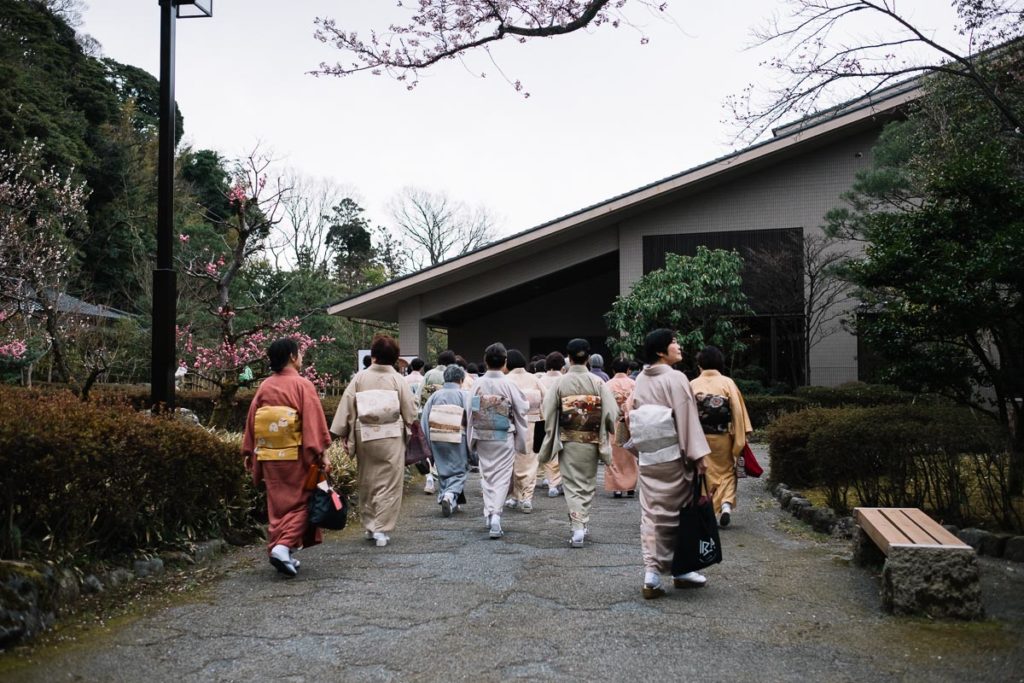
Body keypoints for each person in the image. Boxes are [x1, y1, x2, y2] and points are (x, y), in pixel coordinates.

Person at [628, 329, 710, 598]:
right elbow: (687, 417)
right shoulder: (676, 378)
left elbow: (633, 412)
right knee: (679, 515)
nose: (679, 345)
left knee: (652, 515)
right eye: (674, 342)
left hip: (649, 457)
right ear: (660, 351)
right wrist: (698, 456)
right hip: (675, 457)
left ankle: (652, 574)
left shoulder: (641, 378)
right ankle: (682, 570)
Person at [242, 338, 332, 577]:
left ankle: (284, 551)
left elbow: (252, 419)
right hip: (296, 455)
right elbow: (312, 422)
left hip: (269, 455)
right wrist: (321, 453)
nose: (301, 356)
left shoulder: (265, 386)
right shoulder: (302, 385)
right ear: (292, 356)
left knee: (278, 504)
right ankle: (282, 547)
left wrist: (249, 450)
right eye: (299, 353)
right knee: (304, 501)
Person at [331, 334, 417, 547]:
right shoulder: (398, 379)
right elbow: (410, 412)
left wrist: (341, 432)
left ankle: (370, 525)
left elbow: (347, 405)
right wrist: (410, 422)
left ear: (374, 356)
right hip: (391, 436)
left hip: (365, 434)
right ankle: (381, 529)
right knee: (390, 482)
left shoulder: (360, 378)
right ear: (395, 357)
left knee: (367, 479)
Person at [538, 338, 618, 548]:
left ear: (569, 358)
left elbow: (547, 410)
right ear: (588, 358)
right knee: (587, 483)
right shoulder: (597, 382)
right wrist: (606, 428)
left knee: (572, 485)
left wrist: (555, 426)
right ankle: (582, 521)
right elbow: (611, 413)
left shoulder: (560, 382)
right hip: (591, 440)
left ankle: (577, 527)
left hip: (569, 440)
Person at [689, 345, 752, 528]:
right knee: (727, 472)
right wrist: (741, 435)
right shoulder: (727, 383)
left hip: (700, 437)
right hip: (723, 437)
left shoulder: (693, 384)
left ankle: (707, 508)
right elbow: (737, 412)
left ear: (700, 364)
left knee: (704, 472)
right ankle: (725, 505)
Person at [471, 342, 528, 539]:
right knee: (502, 477)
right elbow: (522, 409)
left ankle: (489, 512)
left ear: (485, 361)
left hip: (483, 435)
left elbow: (470, 410)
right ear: (505, 362)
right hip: (504, 435)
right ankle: (496, 514)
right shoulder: (509, 384)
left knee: (486, 474)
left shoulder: (477, 383)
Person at [421, 365, 474, 517]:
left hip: (436, 436)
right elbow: (471, 420)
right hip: (458, 437)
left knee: (443, 470)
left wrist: (427, 442)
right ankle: (449, 495)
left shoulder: (434, 396)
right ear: (461, 380)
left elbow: (425, 420)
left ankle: (452, 502)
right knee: (459, 470)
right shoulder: (464, 395)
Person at [503, 349, 546, 514]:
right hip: (533, 424)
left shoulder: (506, 380)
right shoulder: (534, 379)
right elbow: (546, 400)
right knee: (530, 461)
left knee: (512, 461)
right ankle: (526, 497)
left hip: (511, 425)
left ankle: (516, 496)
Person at [604, 356, 638, 498]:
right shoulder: (634, 384)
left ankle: (617, 487)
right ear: (628, 370)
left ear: (613, 370)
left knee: (614, 454)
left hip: (614, 422)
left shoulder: (607, 385)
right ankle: (631, 486)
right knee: (631, 454)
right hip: (631, 422)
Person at [536, 351, 566, 496]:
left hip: (543, 419)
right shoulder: (565, 379)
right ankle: (559, 482)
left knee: (548, 449)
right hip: (563, 420)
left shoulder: (540, 380)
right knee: (563, 451)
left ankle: (551, 481)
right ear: (562, 365)